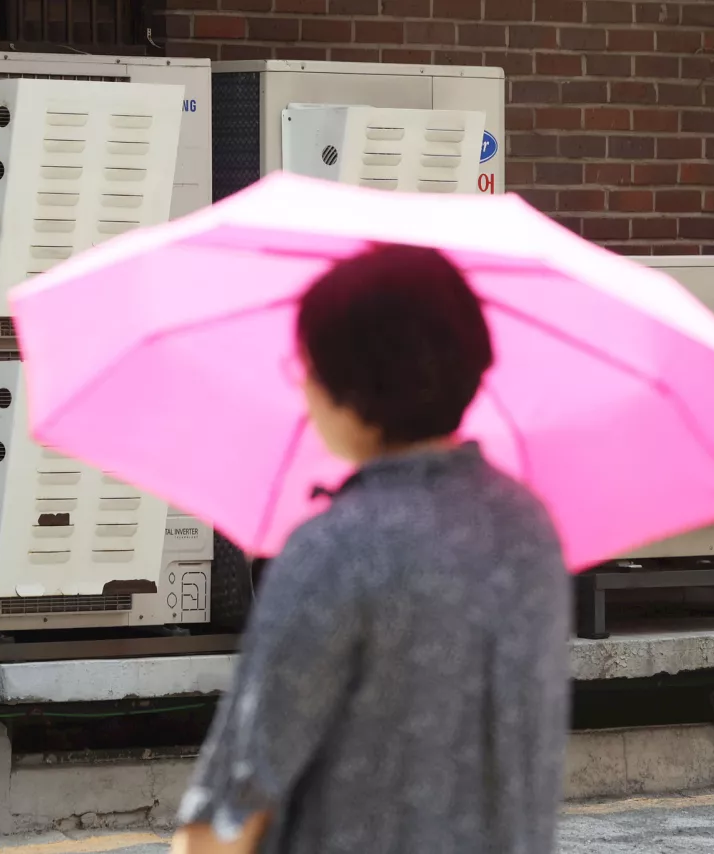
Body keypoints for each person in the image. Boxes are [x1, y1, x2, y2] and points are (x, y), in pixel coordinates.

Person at [171, 243, 570, 854]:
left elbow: (233, 810)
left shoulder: (334, 549)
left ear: (348, 385)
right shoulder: (528, 526)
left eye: (306, 364)